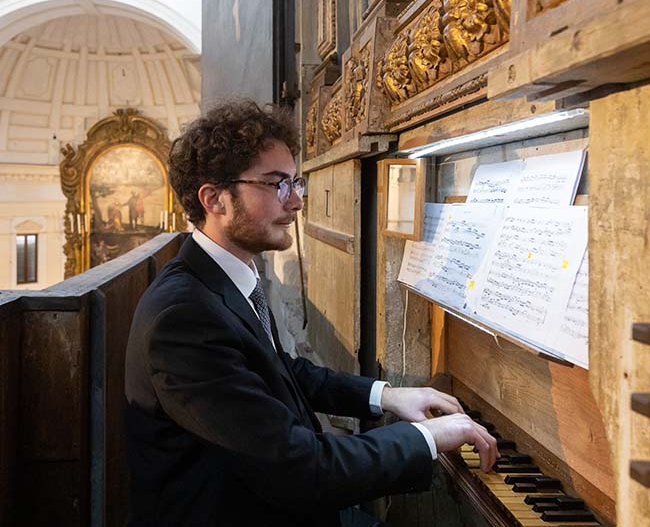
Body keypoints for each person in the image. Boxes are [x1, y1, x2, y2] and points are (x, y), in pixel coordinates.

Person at [124, 101, 498, 527]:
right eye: (276, 184)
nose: (298, 201)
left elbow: (280, 371)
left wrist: (385, 395)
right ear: (215, 199)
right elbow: (298, 470)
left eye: (295, 182)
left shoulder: (226, 275)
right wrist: (427, 437)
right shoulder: (183, 317)